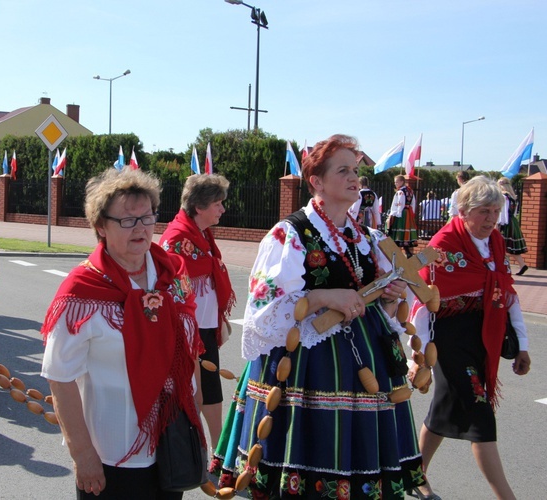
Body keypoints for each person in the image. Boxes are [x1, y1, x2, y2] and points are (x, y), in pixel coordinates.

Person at [211, 134, 432, 498]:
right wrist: (324, 296)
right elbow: (265, 312)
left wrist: (389, 300)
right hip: (306, 366)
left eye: (356, 170)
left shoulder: (369, 238)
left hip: (364, 363)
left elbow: (381, 308)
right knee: (307, 458)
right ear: (316, 181)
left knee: (359, 466)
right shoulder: (290, 235)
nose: (354, 178)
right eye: (343, 170)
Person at [41, 169, 203, 499]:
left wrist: (194, 422)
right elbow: (60, 377)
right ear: (101, 226)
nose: (141, 228)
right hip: (112, 453)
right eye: (127, 220)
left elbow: (190, 353)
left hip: (172, 443)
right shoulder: (81, 292)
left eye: (147, 217)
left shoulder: (173, 275)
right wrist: (82, 453)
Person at [409, 175, 531, 499]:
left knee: (444, 410)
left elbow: (507, 293)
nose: (491, 219)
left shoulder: (497, 243)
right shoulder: (443, 245)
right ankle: (507, 496)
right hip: (447, 341)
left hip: (482, 339)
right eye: (484, 211)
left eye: (495, 211)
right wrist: (417, 354)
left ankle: (414, 474)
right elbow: (420, 300)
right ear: (463, 210)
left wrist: (523, 344)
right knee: (479, 413)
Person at [159, 174, 236, 451]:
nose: (223, 209)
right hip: (186, 331)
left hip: (204, 328)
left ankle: (217, 450)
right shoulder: (177, 238)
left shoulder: (202, 235)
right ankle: (194, 451)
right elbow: (169, 287)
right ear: (200, 206)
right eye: (218, 203)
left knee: (210, 389)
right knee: (191, 392)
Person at [496, 177, 528, 276]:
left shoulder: (503, 197)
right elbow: (514, 212)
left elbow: (502, 213)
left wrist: (498, 225)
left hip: (506, 223)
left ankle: (502, 267)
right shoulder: (513, 197)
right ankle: (522, 265)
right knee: (509, 247)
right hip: (512, 221)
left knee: (502, 246)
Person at [387, 174, 418, 257]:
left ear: (402, 182)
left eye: (397, 182)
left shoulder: (400, 192)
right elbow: (413, 203)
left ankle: (396, 253)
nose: (395, 184)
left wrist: (396, 214)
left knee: (398, 232)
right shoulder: (410, 191)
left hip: (401, 213)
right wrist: (412, 213)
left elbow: (399, 204)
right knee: (405, 233)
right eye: (395, 182)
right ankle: (407, 252)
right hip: (408, 213)